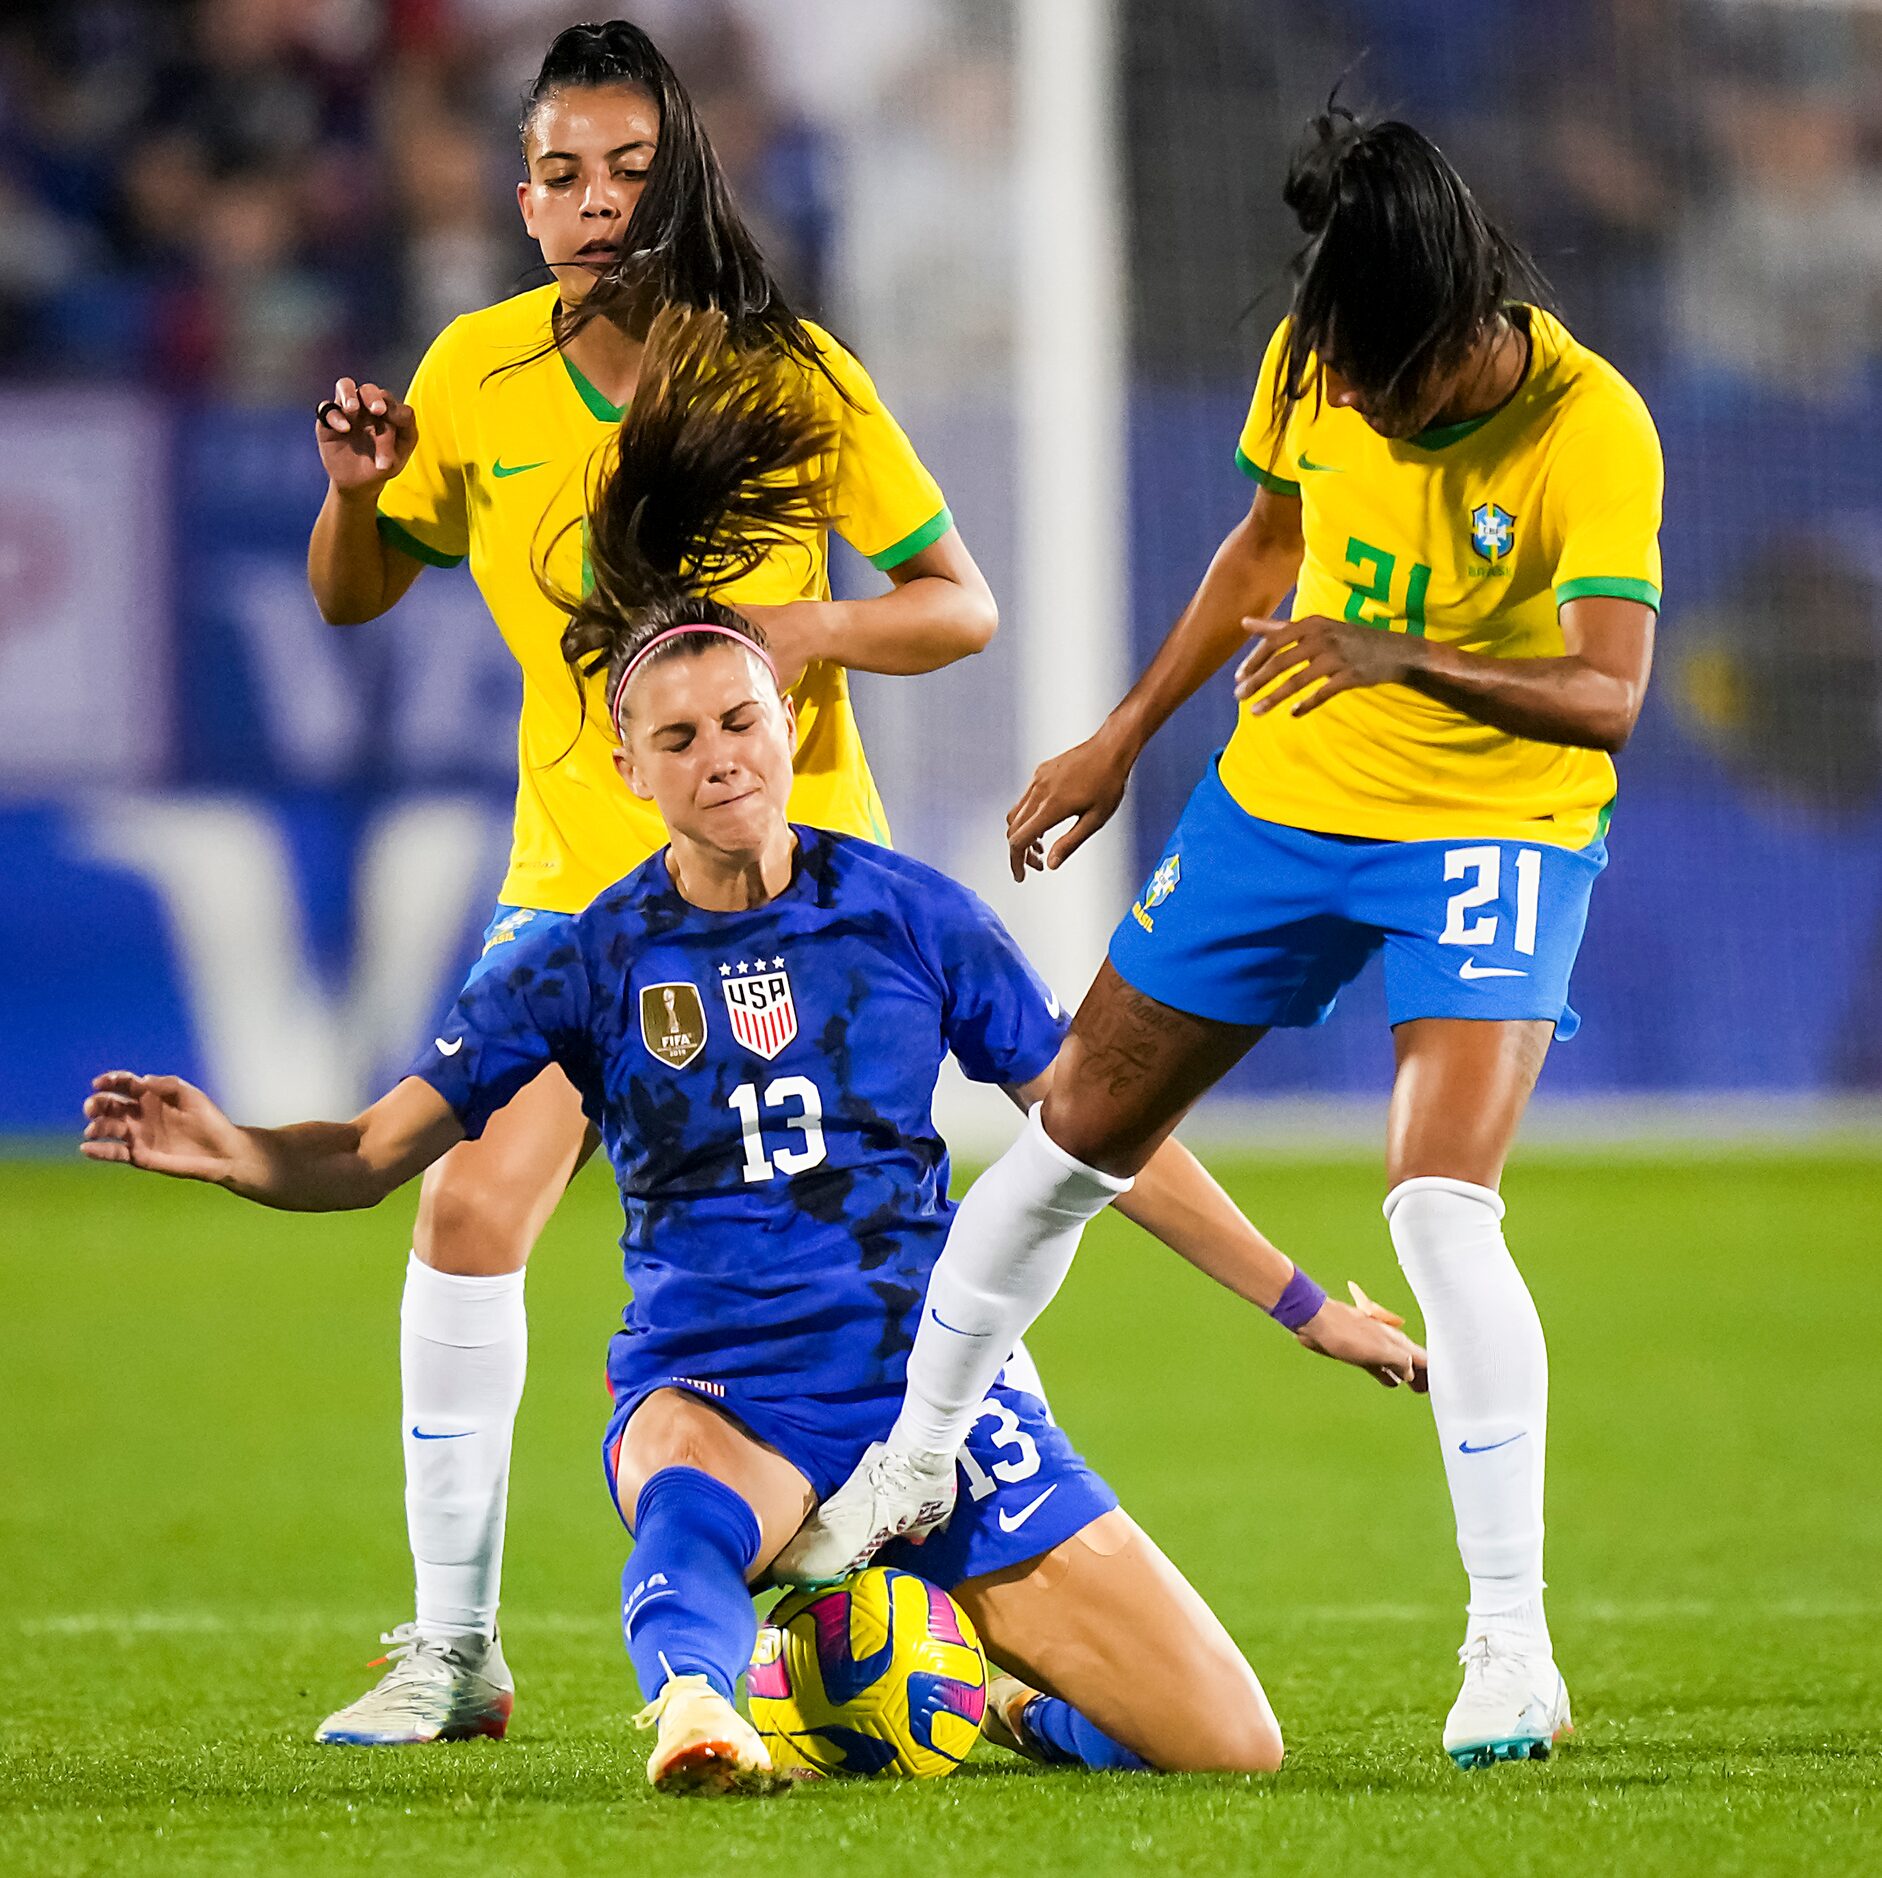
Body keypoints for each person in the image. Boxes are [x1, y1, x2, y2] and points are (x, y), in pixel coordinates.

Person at [83, 312, 1428, 1794]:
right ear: (626, 766)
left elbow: (1097, 1135)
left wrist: (1305, 1307)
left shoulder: (914, 916)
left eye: (739, 718)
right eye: (677, 737)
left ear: (789, 721)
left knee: (1233, 1748)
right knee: (684, 1495)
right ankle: (699, 1707)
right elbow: (374, 1153)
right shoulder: (581, 959)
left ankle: (956, 1706)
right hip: (727, 1392)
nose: (719, 753)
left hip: (932, 1397)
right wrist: (237, 1151)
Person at [785, 103, 1665, 1775]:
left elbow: (1606, 697)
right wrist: (1121, 735)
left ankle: (1509, 1646)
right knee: (1068, 1137)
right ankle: (914, 1455)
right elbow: (1262, 546)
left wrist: (1404, 657)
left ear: (1459, 334)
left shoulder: (1590, 426)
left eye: (1377, 387)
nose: (1348, 404)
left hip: (1493, 824)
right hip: (1282, 803)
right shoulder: (1319, 352)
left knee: (1435, 1203)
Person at [303, 20, 999, 1745]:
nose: (594, 200)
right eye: (560, 171)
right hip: (585, 898)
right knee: (467, 1209)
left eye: (626, 167)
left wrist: (810, 624)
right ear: (520, 198)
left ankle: (965, 1566)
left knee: (863, 1255)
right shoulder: (470, 377)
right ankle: (455, 1650)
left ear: (677, 180)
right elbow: (353, 595)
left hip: (793, 905)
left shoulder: (787, 374)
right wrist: (355, 499)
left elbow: (954, 599)